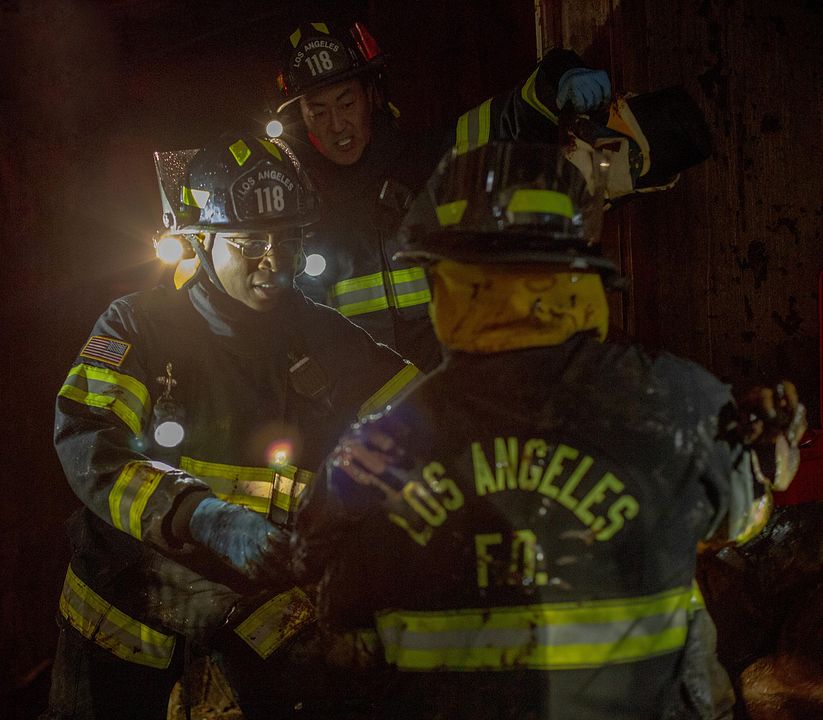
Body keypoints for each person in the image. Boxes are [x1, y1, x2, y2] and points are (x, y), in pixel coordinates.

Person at [290, 141, 807, 719]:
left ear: (444, 284)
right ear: (576, 271)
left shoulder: (375, 451)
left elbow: (330, 599)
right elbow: (739, 515)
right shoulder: (682, 403)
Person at [40, 131, 421, 720]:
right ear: (201, 241)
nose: (274, 261)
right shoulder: (137, 327)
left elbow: (427, 418)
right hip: (122, 625)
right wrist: (203, 515)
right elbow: (92, 442)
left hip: (249, 615)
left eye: (288, 241)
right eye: (249, 243)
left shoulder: (322, 336)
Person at [271, 18, 616, 373]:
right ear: (300, 116)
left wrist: (558, 80)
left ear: (370, 95)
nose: (337, 125)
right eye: (319, 111)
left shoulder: (426, 160)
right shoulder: (294, 206)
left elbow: (506, 118)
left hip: (453, 393)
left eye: (346, 103)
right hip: (369, 411)